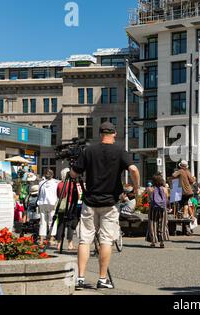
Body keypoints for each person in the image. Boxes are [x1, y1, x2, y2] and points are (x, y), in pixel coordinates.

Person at [70, 122, 140, 290]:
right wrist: (135, 189)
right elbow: (134, 170)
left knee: (84, 239)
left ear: (99, 133)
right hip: (110, 202)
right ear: (114, 133)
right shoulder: (120, 151)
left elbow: (73, 173)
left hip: (90, 201)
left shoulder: (89, 151)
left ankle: (80, 278)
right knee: (106, 240)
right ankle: (102, 279)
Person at [55, 168, 82, 251]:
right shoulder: (72, 184)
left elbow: (58, 195)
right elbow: (78, 195)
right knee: (70, 224)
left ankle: (59, 244)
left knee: (60, 224)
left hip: (61, 206)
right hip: (71, 205)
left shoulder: (59, 184)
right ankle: (70, 244)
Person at [146, 173, 169, 248]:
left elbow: (148, 199)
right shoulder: (165, 189)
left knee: (153, 224)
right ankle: (162, 242)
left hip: (153, 208)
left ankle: (153, 242)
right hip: (163, 209)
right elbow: (166, 199)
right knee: (162, 224)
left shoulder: (150, 189)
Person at [37, 169, 59, 247]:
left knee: (43, 221)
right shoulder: (56, 183)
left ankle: (42, 239)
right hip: (52, 203)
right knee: (52, 221)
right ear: (52, 175)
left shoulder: (40, 183)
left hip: (42, 203)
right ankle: (51, 238)